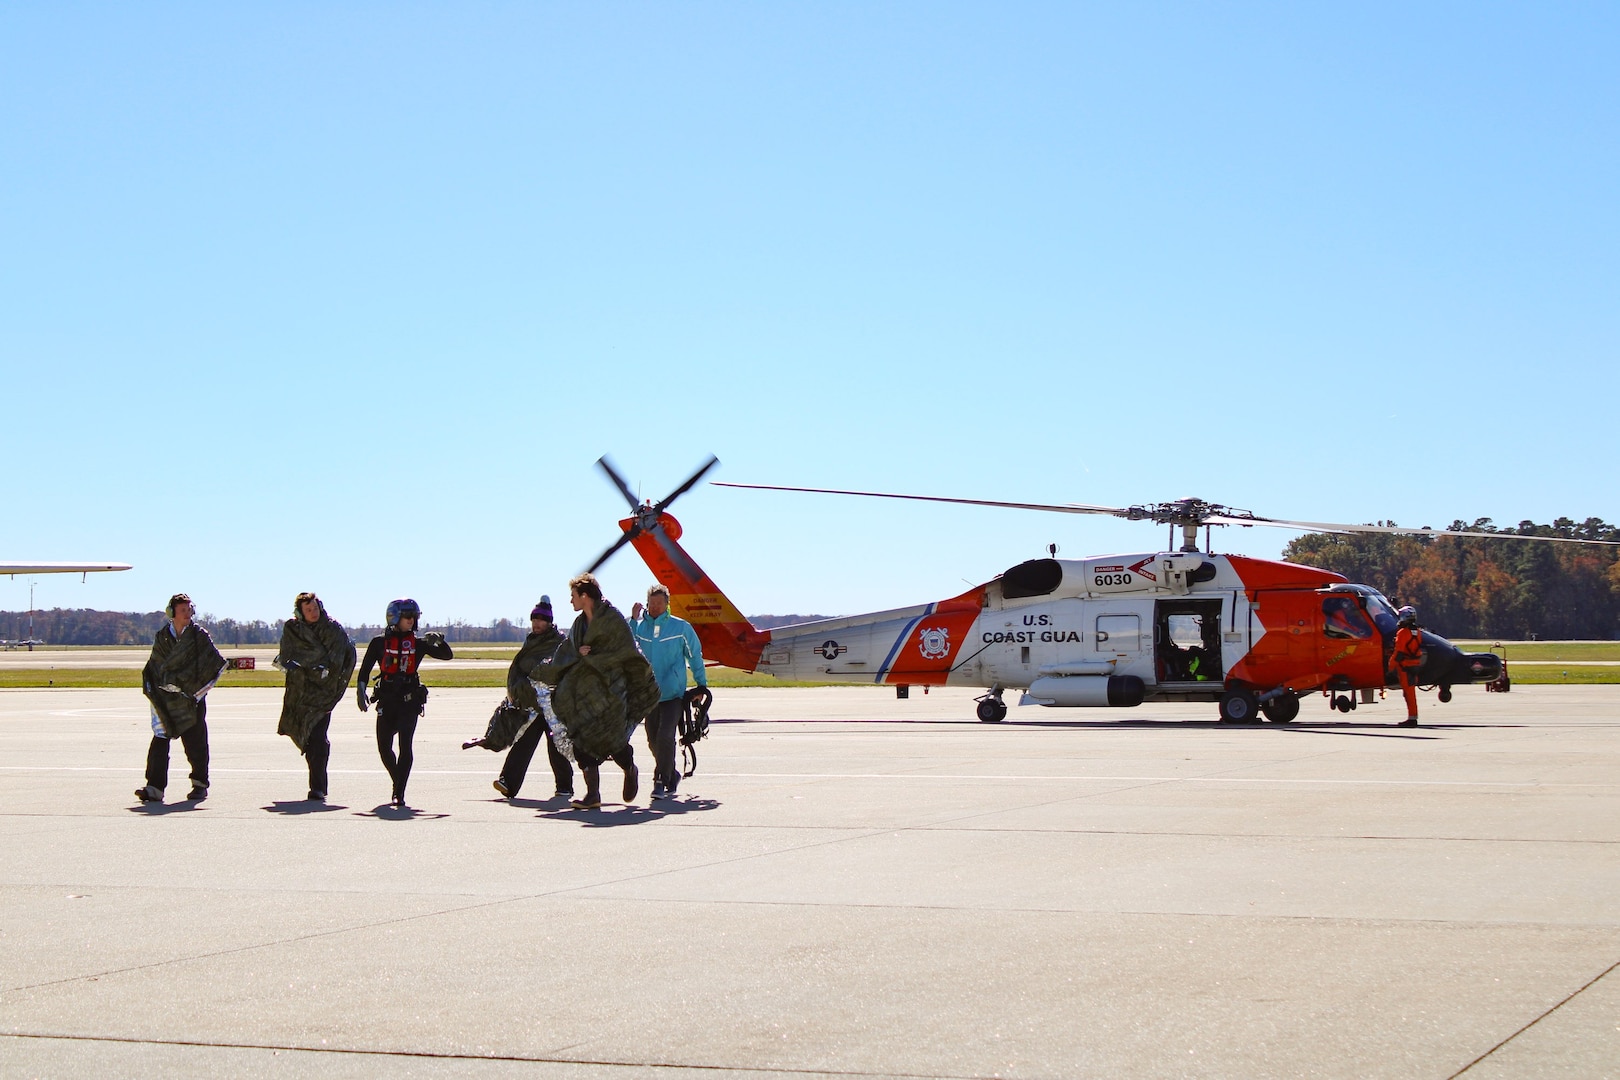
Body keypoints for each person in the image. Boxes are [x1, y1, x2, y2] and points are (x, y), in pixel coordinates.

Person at [535, 573, 658, 809]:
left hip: (611, 692)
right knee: (581, 737)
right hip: (585, 693)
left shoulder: (612, 619)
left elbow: (625, 651)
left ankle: (629, 768)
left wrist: (594, 657)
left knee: (613, 739)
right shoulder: (579, 624)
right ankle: (593, 794)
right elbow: (568, 649)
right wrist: (573, 656)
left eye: (573, 596)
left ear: (585, 596)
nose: (571, 601)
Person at [356, 598, 452, 807]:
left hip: (409, 701)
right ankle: (397, 781)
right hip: (387, 701)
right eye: (408, 616)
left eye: (414, 617)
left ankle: (399, 792)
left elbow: (447, 655)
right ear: (395, 617)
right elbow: (364, 672)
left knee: (405, 746)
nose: (412, 620)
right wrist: (360, 690)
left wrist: (439, 641)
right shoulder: (379, 643)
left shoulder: (418, 644)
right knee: (384, 748)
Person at [136, 594, 227, 804]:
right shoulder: (162, 637)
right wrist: (159, 687)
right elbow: (156, 664)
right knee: (160, 739)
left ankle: (199, 784)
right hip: (166, 699)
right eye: (183, 610)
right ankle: (154, 788)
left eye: (189, 609)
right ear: (172, 613)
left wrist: (192, 691)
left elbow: (212, 664)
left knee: (195, 742)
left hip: (192, 698)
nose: (187, 614)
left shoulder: (199, 636)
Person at [488, 596, 574, 801]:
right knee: (523, 740)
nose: (537, 623)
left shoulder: (559, 642)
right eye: (534, 618)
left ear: (549, 622)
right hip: (532, 703)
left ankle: (565, 786)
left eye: (541, 619)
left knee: (557, 745)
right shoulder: (531, 641)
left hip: (552, 704)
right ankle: (508, 782)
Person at [274, 591, 357, 801]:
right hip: (300, 693)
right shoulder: (292, 629)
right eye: (308, 610)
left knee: (318, 737)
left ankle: (317, 787)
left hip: (324, 693)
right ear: (300, 613)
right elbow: (288, 655)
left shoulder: (333, 629)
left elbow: (339, 658)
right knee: (309, 738)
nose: (313, 613)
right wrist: (309, 664)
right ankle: (318, 780)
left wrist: (319, 668)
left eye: (315, 608)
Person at [631, 583, 708, 799]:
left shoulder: (680, 628)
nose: (655, 607)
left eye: (659, 603)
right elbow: (626, 646)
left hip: (673, 694)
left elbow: (695, 655)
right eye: (652, 603)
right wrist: (632, 619)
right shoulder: (639, 628)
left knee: (666, 736)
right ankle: (671, 774)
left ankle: (659, 781)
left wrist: (701, 684)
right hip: (649, 694)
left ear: (667, 604)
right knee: (653, 740)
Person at [1389, 605, 1423, 727]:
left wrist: (1390, 666)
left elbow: (1399, 652)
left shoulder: (1403, 633)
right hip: (1415, 665)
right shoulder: (1417, 632)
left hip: (1405, 667)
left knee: (1409, 693)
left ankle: (1412, 718)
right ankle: (1412, 716)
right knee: (1410, 692)